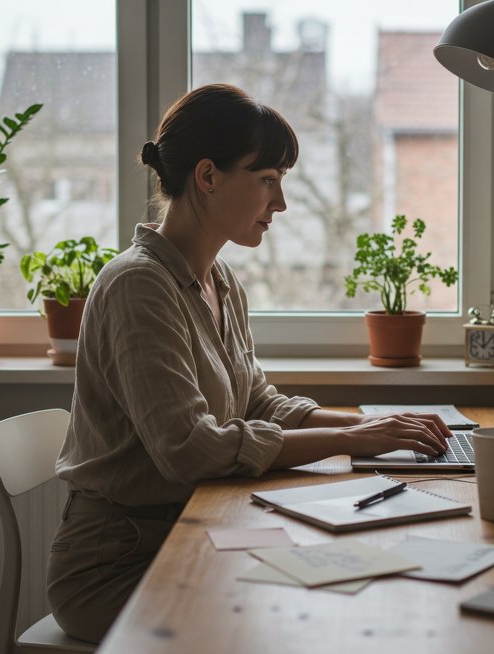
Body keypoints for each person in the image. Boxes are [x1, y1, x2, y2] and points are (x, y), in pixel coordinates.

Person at [46, 83, 452, 643]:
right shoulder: (138, 286)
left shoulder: (218, 279)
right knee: (301, 622)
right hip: (120, 564)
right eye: (268, 180)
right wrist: (353, 440)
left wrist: (371, 428)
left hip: (201, 531)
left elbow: (260, 403)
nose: (280, 203)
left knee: (362, 581)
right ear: (207, 177)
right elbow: (189, 448)